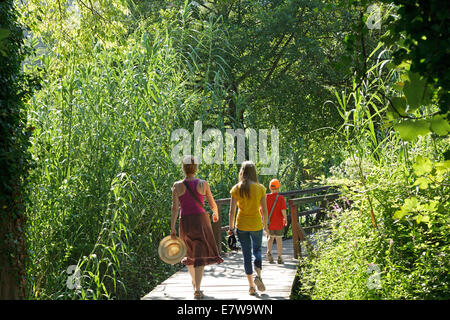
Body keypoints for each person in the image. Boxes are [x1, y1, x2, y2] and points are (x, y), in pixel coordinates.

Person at [170, 155, 224, 299]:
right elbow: (212, 203)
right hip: (201, 220)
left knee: (189, 254)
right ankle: (197, 289)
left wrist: (172, 228)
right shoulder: (203, 184)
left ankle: (194, 284)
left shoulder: (177, 186)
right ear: (195, 168)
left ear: (183, 168)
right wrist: (215, 213)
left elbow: (174, 209)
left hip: (185, 222)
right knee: (199, 255)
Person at [228, 161, 270, 296]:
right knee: (257, 250)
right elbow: (264, 210)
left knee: (246, 255)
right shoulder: (260, 188)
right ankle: (258, 273)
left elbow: (232, 211)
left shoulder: (236, 188)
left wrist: (231, 227)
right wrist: (266, 226)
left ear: (242, 172)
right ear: (254, 172)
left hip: (241, 225)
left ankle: (251, 286)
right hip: (256, 224)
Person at [263, 179, 287, 264]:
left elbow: (261, 210)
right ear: (279, 187)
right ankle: (279, 257)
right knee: (279, 239)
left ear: (270, 188)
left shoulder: (266, 197)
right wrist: (286, 219)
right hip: (279, 223)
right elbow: (283, 210)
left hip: (269, 223)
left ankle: (269, 253)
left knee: (270, 238)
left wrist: (264, 222)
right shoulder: (280, 198)